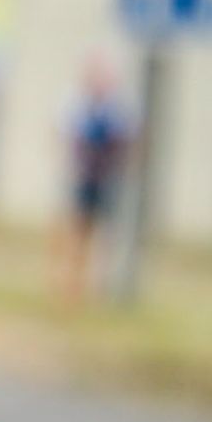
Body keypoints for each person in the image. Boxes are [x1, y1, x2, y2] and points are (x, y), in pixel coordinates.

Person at [59, 53, 134, 305]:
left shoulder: (117, 109)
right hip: (84, 175)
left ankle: (99, 285)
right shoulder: (77, 105)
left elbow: (127, 140)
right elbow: (66, 136)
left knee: (105, 234)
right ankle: (72, 285)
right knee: (78, 229)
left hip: (107, 176)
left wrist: (120, 166)